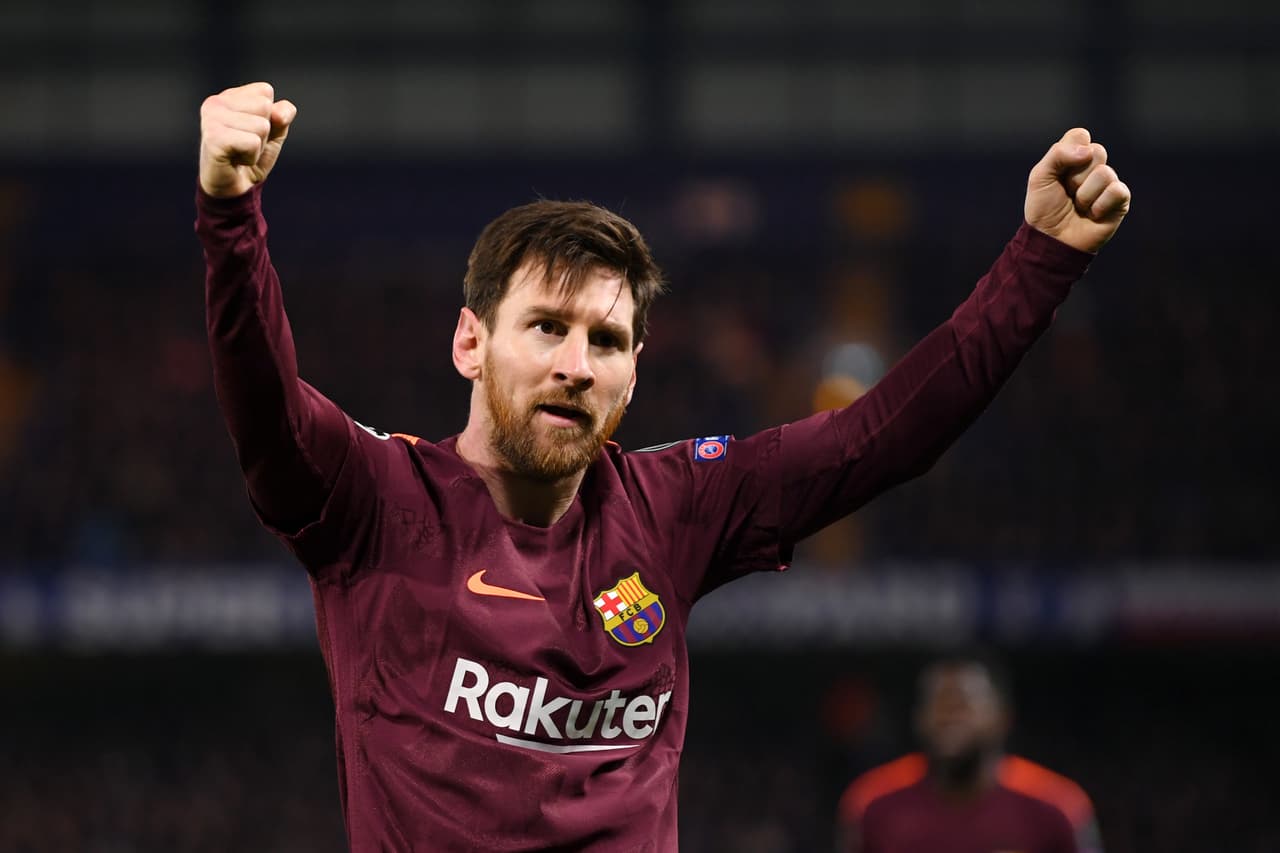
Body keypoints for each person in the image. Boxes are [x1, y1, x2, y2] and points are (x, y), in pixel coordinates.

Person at [194, 81, 1131, 851]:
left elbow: (883, 435)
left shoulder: (676, 506)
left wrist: (1042, 258)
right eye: (547, 328)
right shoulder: (377, 501)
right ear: (470, 343)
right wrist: (231, 217)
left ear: (634, 373)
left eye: (606, 339)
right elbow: (267, 409)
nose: (575, 364)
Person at [836, 655, 1103, 853]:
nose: (950, 716)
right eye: (939, 703)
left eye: (963, 704)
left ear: (1001, 718)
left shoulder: (1055, 805)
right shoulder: (873, 803)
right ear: (918, 718)